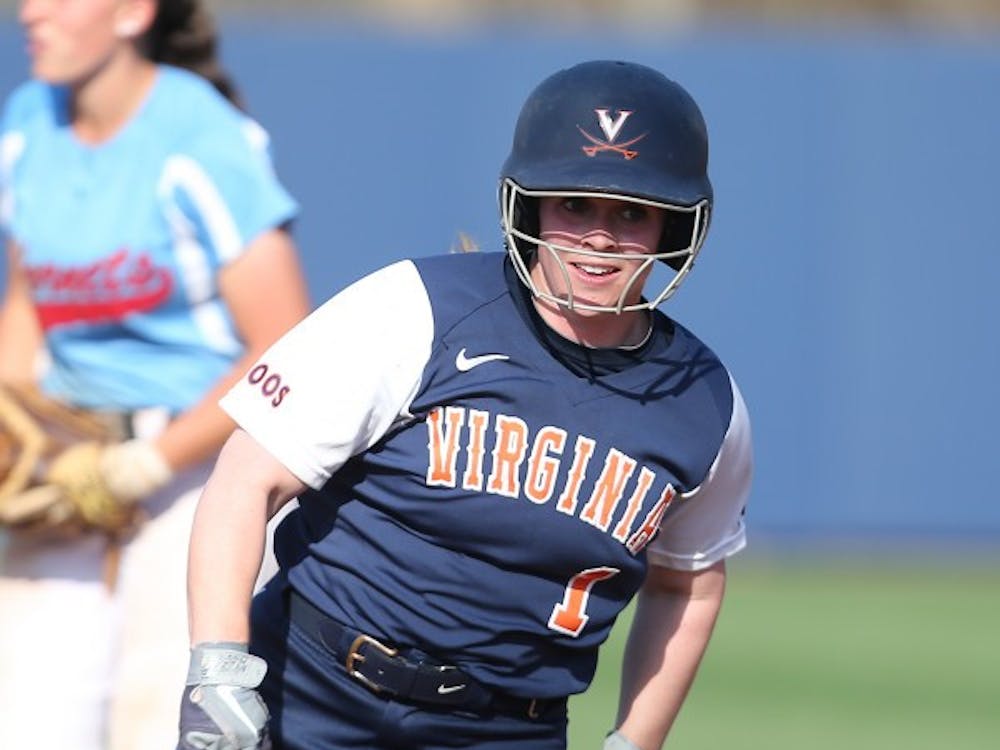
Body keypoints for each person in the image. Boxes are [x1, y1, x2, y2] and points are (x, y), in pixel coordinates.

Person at [177, 59, 752, 750]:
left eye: (632, 212)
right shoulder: (418, 309)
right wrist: (217, 671)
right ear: (529, 205)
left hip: (506, 728)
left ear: (675, 228)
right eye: (574, 205)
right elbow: (247, 477)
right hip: (313, 685)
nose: (599, 236)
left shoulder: (702, 403)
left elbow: (688, 584)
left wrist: (635, 741)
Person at [0, 1, 310, 749]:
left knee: (162, 723)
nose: (31, 12)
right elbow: (29, 297)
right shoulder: (30, 121)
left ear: (135, 12)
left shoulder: (200, 138)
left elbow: (283, 342)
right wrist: (11, 428)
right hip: (65, 472)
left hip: (194, 476)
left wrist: (145, 464)